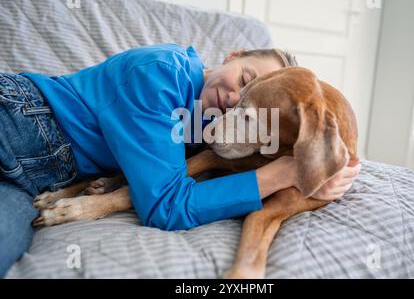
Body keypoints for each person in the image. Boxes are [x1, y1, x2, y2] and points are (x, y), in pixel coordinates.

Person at [0, 43, 361, 276]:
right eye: (245, 81)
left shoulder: (209, 124)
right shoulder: (160, 74)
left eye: (250, 107)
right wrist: (284, 174)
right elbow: (166, 206)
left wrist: (324, 168)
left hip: (32, 182)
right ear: (233, 55)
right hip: (22, 120)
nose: (234, 101)